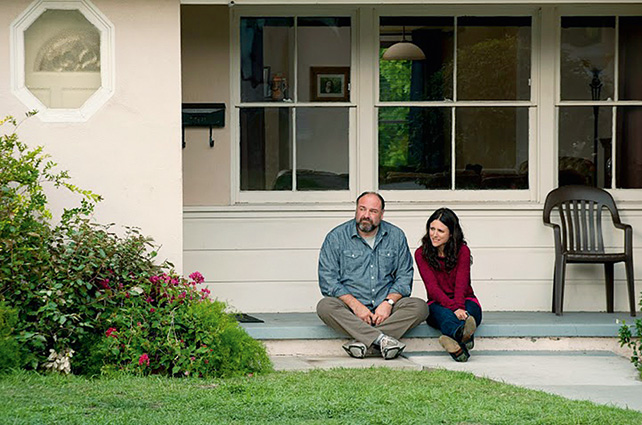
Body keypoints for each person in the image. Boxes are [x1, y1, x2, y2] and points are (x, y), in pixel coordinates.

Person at [317, 192, 429, 360]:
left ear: (382, 214)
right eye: (362, 209)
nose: (366, 215)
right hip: (351, 308)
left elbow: (404, 276)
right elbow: (328, 280)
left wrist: (388, 303)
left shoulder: (396, 236)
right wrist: (355, 306)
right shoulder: (336, 237)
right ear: (356, 210)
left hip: (386, 309)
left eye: (373, 211)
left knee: (420, 307)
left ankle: (363, 342)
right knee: (325, 307)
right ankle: (382, 340)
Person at [415, 208, 482, 362]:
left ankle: (459, 349)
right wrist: (454, 308)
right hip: (437, 303)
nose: (434, 234)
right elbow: (432, 289)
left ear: (451, 233)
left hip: (465, 299)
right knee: (444, 316)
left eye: (440, 231)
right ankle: (463, 336)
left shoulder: (462, 251)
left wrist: (459, 307)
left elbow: (461, 284)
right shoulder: (421, 253)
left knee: (471, 313)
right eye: (432, 229)